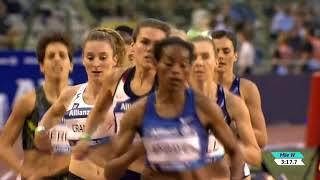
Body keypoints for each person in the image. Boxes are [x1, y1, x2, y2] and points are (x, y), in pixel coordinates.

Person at [107, 37, 244, 180]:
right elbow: (110, 172)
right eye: (169, 63)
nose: (176, 71)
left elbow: (235, 153)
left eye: (183, 65)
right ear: (156, 64)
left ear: (189, 67)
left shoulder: (204, 108)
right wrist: (135, 152)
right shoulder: (138, 112)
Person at [72, 18, 171, 180]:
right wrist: (85, 138)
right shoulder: (116, 78)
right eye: (145, 42)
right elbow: (98, 110)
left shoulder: (173, 87)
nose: (150, 49)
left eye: (157, 44)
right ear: (133, 46)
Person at [34, 28, 126, 179]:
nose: (96, 64)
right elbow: (42, 128)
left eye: (103, 58)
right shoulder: (70, 94)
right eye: (90, 57)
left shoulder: (125, 95)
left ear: (114, 59)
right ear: (83, 59)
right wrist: (41, 133)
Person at [0, 32, 74, 179]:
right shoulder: (28, 102)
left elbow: (91, 148)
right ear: (41, 66)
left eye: (62, 55)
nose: (57, 60)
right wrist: (23, 170)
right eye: (51, 56)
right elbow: (3, 145)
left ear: (71, 65)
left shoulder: (81, 102)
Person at [190, 36, 261, 179]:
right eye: (193, 57)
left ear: (216, 61)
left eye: (205, 57)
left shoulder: (232, 102)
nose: (199, 62)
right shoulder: (174, 99)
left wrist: (224, 145)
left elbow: (255, 155)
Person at [211, 30, 268, 149]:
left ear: (236, 55)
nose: (220, 56)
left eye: (226, 51)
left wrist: (237, 131)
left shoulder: (247, 89)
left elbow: (262, 139)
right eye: (216, 51)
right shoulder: (198, 87)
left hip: (234, 161)